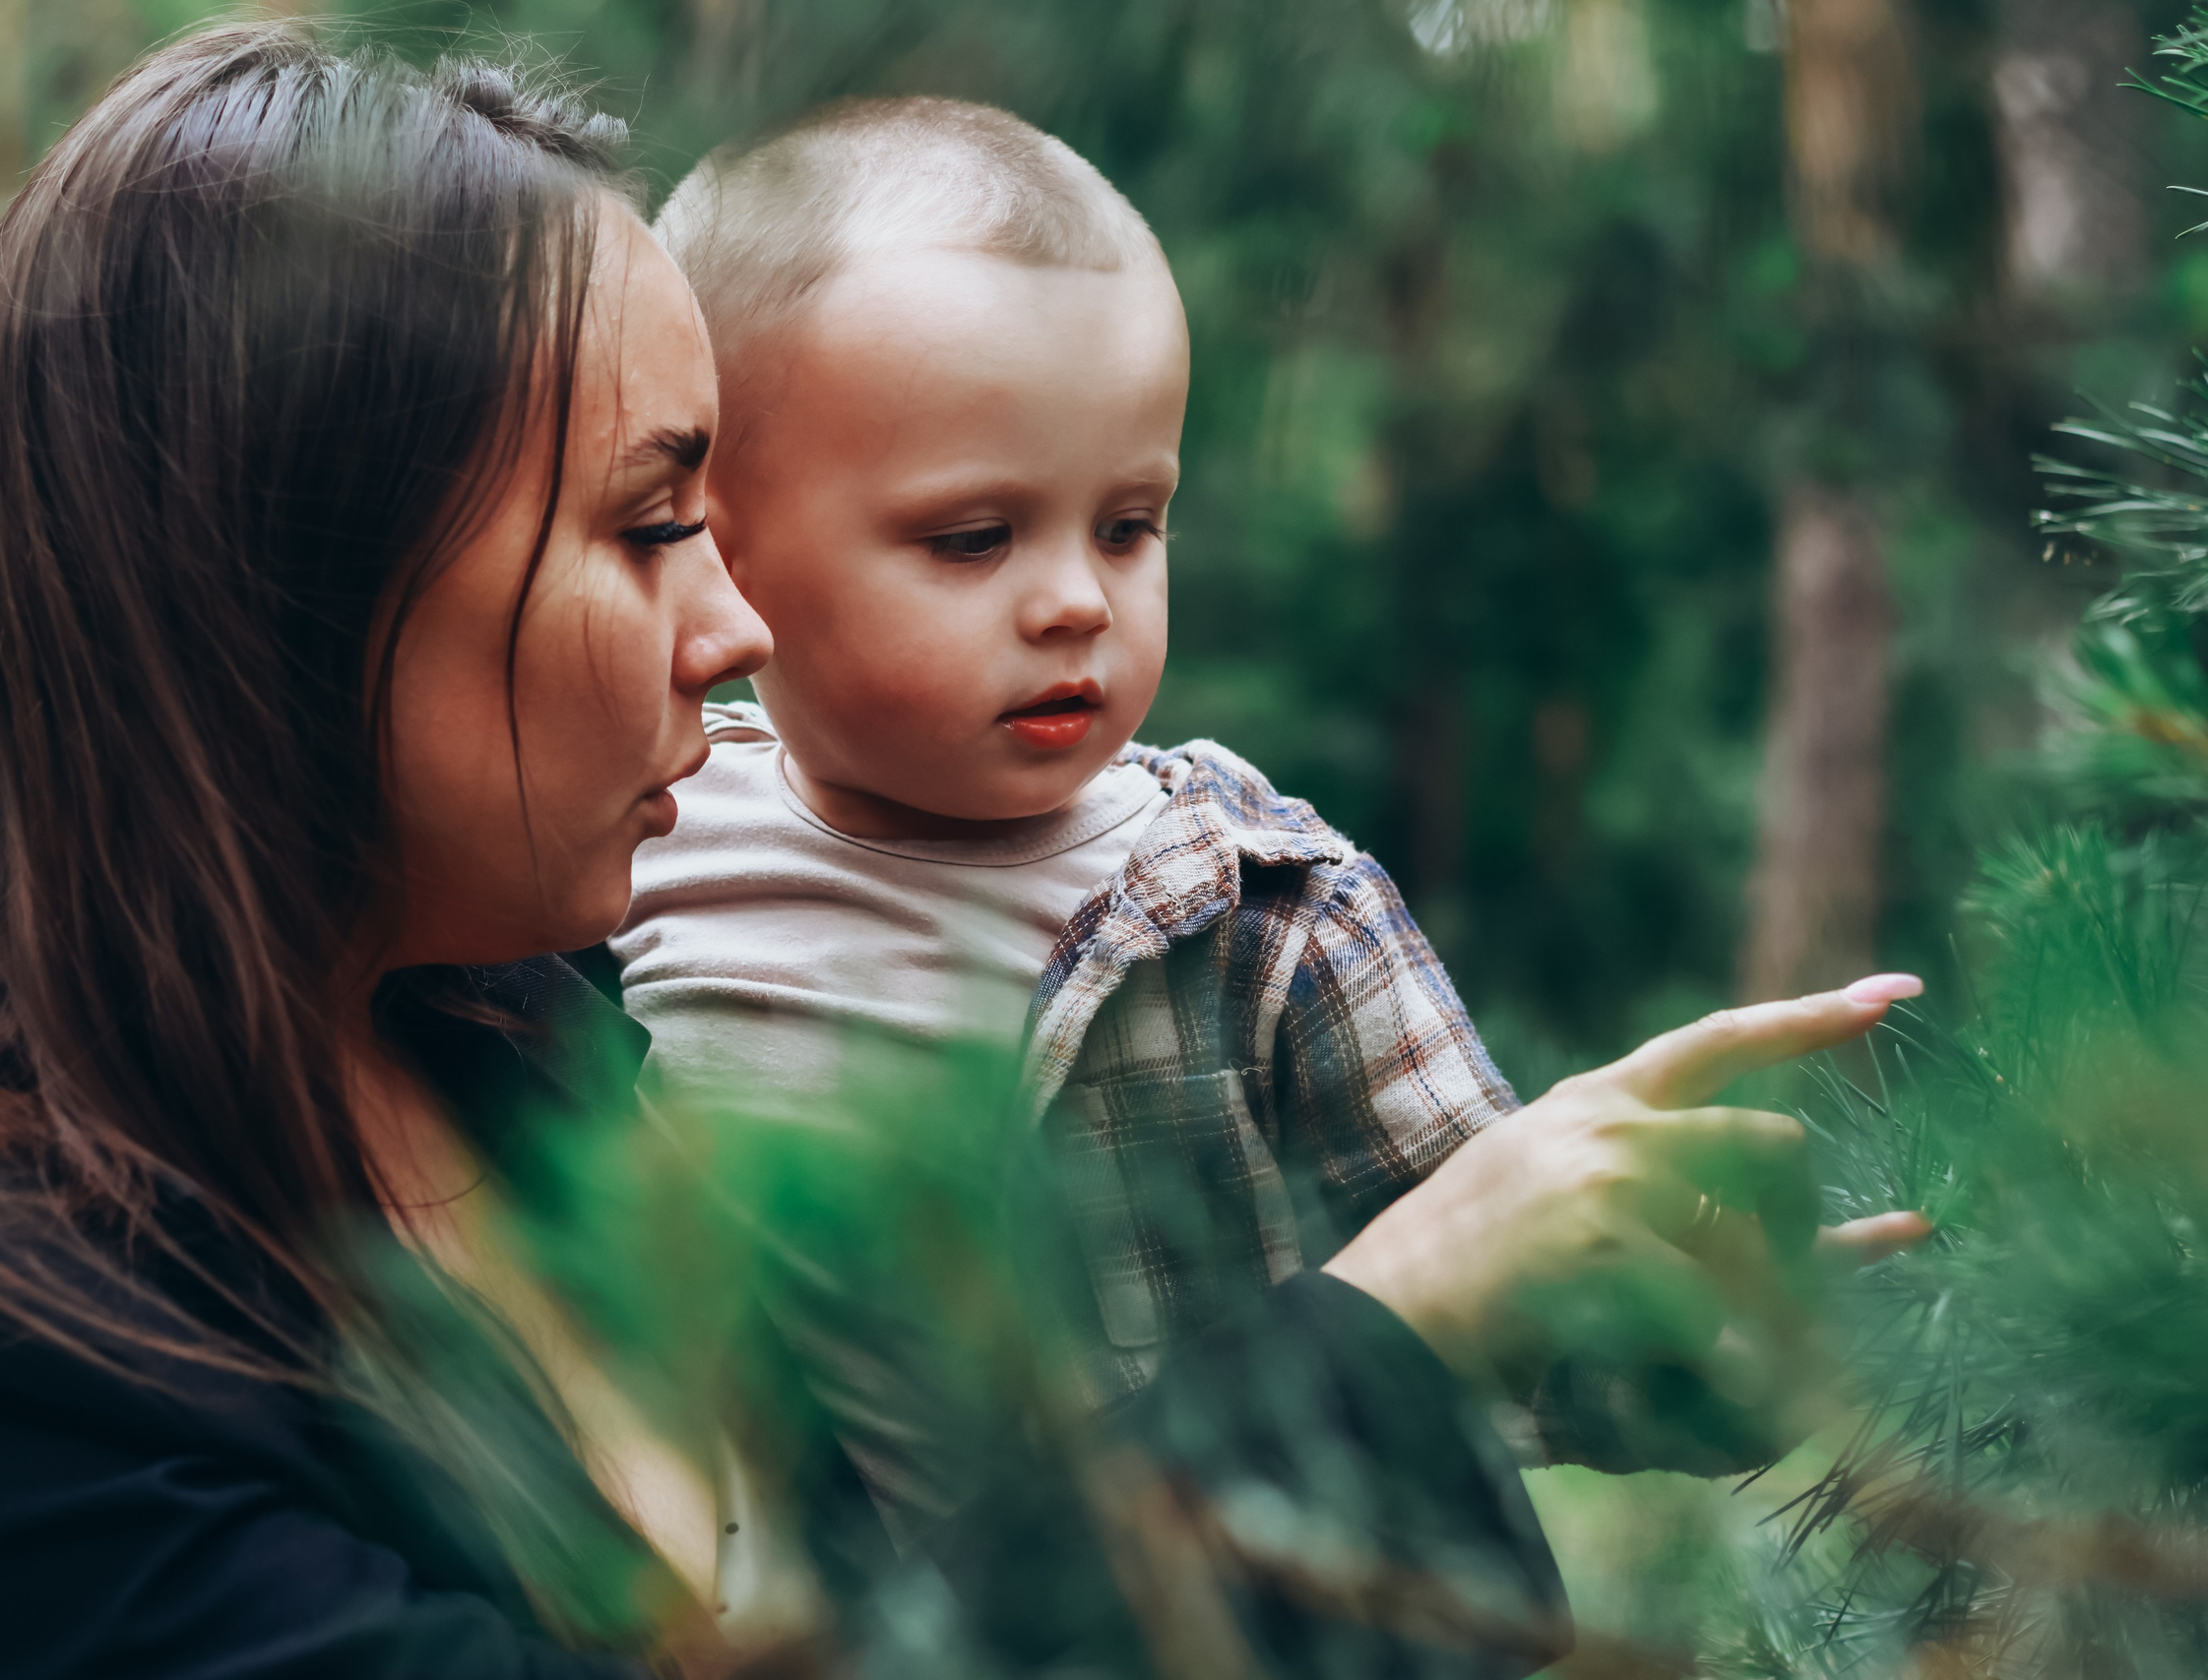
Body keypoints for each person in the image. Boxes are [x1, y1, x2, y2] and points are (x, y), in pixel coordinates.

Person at [0, 23, 1921, 1679]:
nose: (741, 621)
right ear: (283, 580)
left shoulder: (524, 1035)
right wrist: (1384, 1329)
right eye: (649, 517)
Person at [608, 96, 1925, 1531]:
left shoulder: (1261, 906)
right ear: (717, 547)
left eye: (1130, 523)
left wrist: (1733, 1347)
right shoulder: (645, 842)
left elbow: (1495, 1279)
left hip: (1205, 1606)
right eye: (975, 537)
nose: (1076, 602)